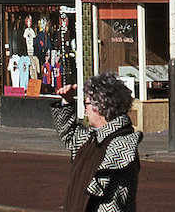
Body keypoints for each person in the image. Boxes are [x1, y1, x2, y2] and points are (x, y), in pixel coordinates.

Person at [52, 73, 141, 212]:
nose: (85, 109)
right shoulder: (93, 137)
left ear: (101, 105)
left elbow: (105, 197)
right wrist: (67, 102)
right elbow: (68, 133)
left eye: (86, 103)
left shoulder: (122, 143)